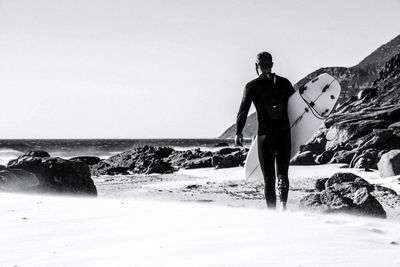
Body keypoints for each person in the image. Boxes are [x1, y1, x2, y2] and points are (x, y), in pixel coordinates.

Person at [235, 52, 295, 210]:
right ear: (272, 65)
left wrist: (238, 133)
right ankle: (283, 205)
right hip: (284, 134)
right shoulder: (284, 83)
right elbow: (296, 107)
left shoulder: (252, 86)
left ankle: (272, 211)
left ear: (256, 66)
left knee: (269, 178)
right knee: (282, 171)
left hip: (265, 136)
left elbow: (243, 112)